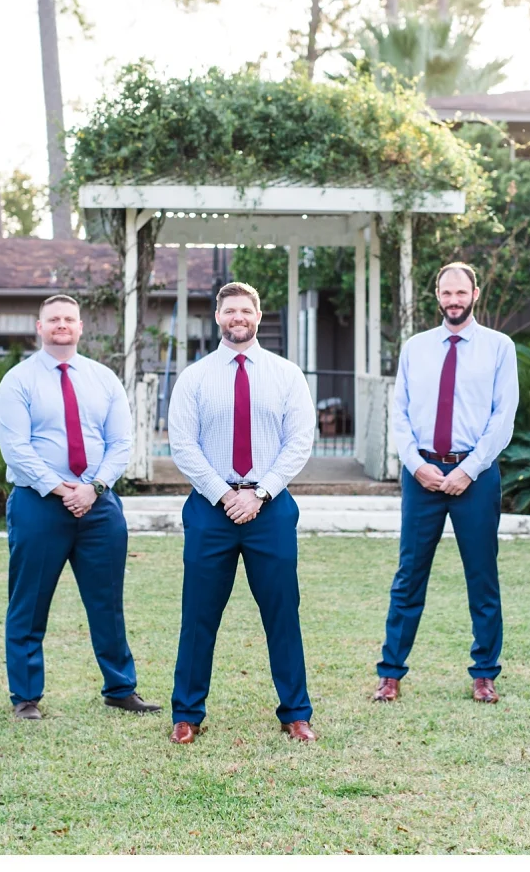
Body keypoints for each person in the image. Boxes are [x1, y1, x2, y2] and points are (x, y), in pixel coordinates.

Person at [0, 294, 159, 720]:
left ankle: (120, 688)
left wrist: (94, 487)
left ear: (81, 327)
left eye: (69, 318)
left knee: (107, 601)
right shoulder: (18, 381)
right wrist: (60, 488)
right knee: (29, 602)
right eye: (53, 319)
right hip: (38, 505)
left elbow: (121, 442)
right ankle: (26, 696)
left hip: (98, 506)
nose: (61, 325)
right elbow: (15, 448)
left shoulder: (103, 379)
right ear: (40, 327)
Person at [165, 281, 317, 744]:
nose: (238, 317)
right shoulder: (194, 378)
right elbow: (182, 445)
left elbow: (299, 443)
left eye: (245, 310)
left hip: (270, 509)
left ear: (258, 316)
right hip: (211, 509)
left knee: (282, 612)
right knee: (198, 614)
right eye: (230, 310)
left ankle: (296, 713)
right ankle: (187, 713)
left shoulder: (287, 375)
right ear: (218, 316)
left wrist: (260, 494)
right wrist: (223, 494)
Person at [373, 262, 519, 705]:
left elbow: (503, 416)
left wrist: (468, 470)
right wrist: (416, 465)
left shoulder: (499, 347)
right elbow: (400, 412)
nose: (454, 300)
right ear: (437, 296)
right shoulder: (416, 348)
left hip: (474, 475)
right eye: (446, 293)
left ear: (475, 293)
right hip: (423, 475)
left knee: (482, 576)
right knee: (409, 576)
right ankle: (390, 674)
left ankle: (484, 674)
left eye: (461, 292)